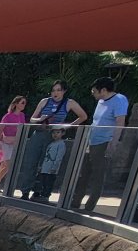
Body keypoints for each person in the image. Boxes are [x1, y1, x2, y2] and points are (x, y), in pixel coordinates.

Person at [69, 77, 129, 213]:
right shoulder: (101, 101)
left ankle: (89, 207)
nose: (93, 93)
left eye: (94, 91)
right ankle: (75, 202)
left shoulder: (119, 100)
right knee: (83, 173)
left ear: (103, 90)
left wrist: (113, 143)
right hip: (92, 141)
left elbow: (120, 122)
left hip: (104, 142)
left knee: (98, 175)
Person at [19, 81, 87, 196]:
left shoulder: (69, 103)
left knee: (45, 165)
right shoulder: (45, 101)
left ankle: (38, 191)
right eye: (53, 90)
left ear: (64, 91)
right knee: (30, 163)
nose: (55, 93)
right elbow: (32, 119)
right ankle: (25, 191)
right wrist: (41, 119)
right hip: (39, 133)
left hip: (53, 136)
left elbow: (83, 116)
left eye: (59, 90)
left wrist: (66, 127)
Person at [0, 95, 27, 191]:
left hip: (14, 143)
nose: (24, 105)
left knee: (4, 166)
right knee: (8, 164)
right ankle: (0, 185)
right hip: (5, 143)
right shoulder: (7, 116)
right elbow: (0, 130)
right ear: (16, 104)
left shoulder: (22, 116)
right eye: (22, 102)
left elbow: (22, 129)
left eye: (24, 103)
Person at [30, 127, 69, 201]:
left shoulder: (61, 144)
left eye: (58, 133)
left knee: (48, 183)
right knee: (41, 181)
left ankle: (45, 195)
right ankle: (37, 194)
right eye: (53, 133)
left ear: (62, 133)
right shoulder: (51, 143)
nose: (55, 135)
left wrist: (54, 167)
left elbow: (59, 157)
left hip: (51, 169)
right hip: (45, 167)